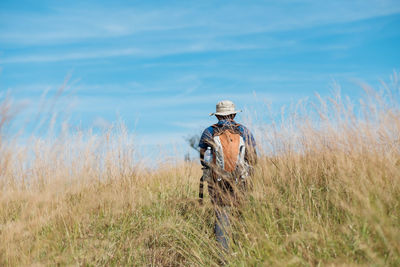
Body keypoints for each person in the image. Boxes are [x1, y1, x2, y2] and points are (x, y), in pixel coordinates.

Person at [198, 100, 257, 251]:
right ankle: (242, 249)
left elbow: (202, 157)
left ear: (217, 116)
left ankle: (223, 255)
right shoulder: (243, 130)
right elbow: (253, 157)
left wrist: (209, 169)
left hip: (218, 179)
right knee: (240, 212)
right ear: (234, 114)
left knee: (221, 212)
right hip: (240, 179)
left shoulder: (209, 131)